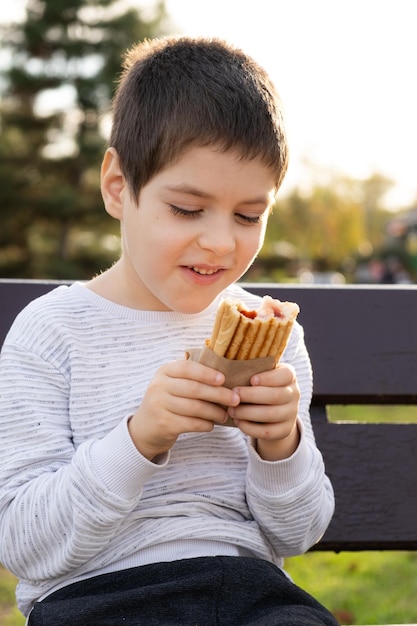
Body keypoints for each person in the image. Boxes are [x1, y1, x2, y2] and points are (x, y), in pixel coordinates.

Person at [0, 36, 338, 625]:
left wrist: (279, 446)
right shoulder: (53, 332)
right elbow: (25, 545)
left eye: (248, 216)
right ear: (118, 187)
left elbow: (298, 533)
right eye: (186, 209)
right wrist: (139, 439)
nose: (220, 242)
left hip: (251, 592)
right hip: (99, 600)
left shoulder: (275, 343)